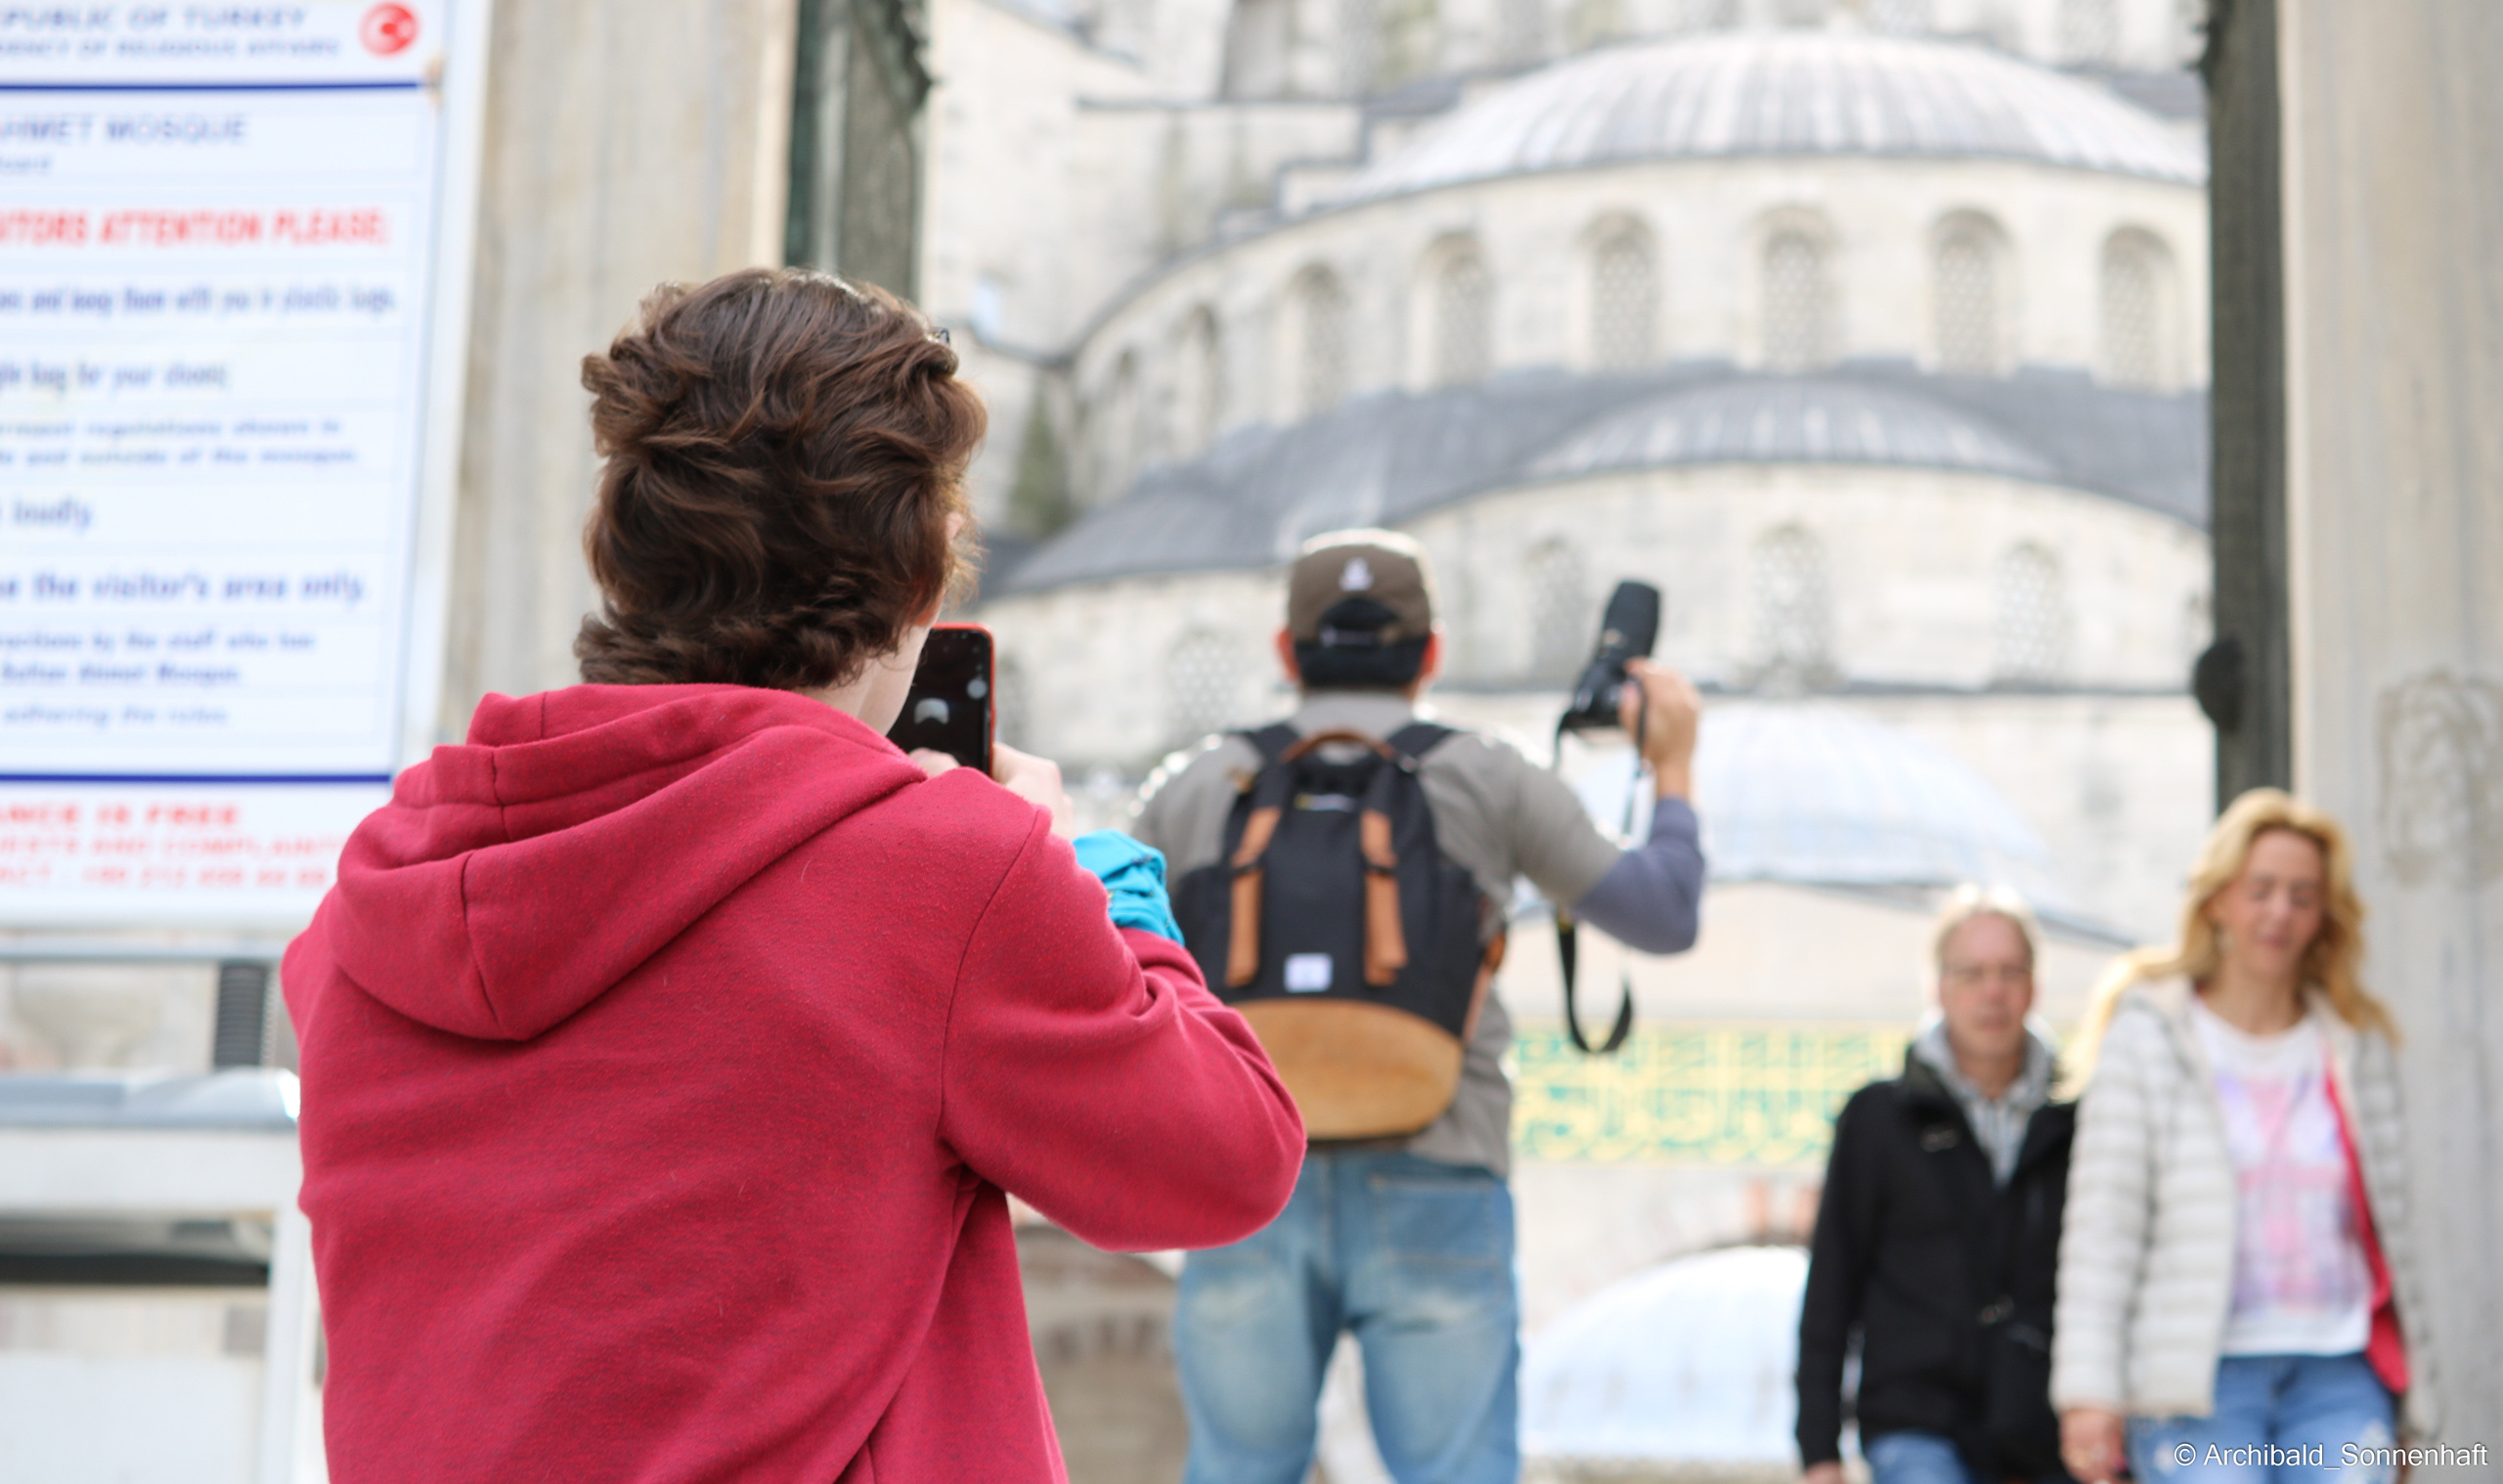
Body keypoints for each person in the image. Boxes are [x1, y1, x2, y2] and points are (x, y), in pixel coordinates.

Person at [281, 270, 1305, 1482]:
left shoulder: (367, 915)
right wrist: (1093, 883)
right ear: (922, 577)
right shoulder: (944, 879)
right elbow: (1225, 1162)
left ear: (623, 558)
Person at [1131, 529, 1706, 1484]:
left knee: (1236, 1469)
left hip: (1245, 1185)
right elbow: (1663, 912)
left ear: (1286, 652)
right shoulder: (1488, 775)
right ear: (1431, 652)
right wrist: (1672, 764)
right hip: (1439, 1171)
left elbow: (1107, 954)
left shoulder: (1190, 787)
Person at [2053, 789, 2441, 1484]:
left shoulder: (2355, 1042)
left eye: (2302, 895)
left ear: (2324, 915)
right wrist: (2089, 1392)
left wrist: (2414, 1393)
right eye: (2260, 890)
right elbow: (2104, 1229)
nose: (2279, 912)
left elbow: (2397, 1234)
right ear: (2217, 901)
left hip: (2339, 1372)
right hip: (2196, 1383)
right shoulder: (2149, 1036)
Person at [1796, 886, 2076, 1484]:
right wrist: (1819, 1451)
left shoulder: (2076, 1119)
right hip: (1915, 1424)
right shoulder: (1878, 1119)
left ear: (2034, 986)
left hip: (2045, 1431)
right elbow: (1832, 1285)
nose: (1992, 992)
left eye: (2009, 972)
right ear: (1938, 987)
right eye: (1971, 973)